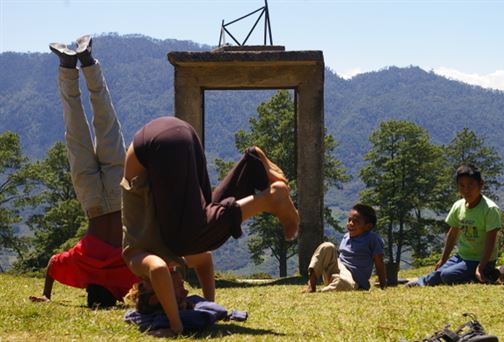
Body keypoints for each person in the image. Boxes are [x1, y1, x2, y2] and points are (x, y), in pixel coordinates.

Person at [121, 115, 300, 337]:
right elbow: (204, 258)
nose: (186, 290)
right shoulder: (172, 253)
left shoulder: (134, 257)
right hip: (181, 134)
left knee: (187, 239)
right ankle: (251, 166)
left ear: (156, 295)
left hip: (156, 148)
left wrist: (176, 326)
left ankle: (269, 199)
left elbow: (157, 270)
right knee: (204, 220)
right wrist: (210, 305)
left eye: (179, 297)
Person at [29, 35, 139, 307]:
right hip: (91, 201)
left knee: (106, 122)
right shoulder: (82, 263)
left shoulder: (126, 272)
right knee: (74, 126)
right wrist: (47, 294)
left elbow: (154, 269)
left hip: (117, 195)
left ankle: (88, 62)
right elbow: (54, 264)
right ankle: (68, 67)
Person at [407, 164, 501, 287]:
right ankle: (421, 282)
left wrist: (481, 267)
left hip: (482, 260)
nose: (466, 190)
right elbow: (452, 235)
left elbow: (490, 242)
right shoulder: (458, 206)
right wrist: (443, 259)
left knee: (447, 275)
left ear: (481, 184)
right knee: (439, 273)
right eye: (462, 185)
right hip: (462, 257)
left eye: (470, 185)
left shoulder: (490, 209)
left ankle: (487, 273)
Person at [303, 203, 386, 292]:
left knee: (343, 283)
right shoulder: (346, 236)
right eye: (349, 220)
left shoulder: (372, 239)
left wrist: (383, 284)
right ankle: (311, 284)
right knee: (327, 246)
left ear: (368, 226)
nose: (350, 224)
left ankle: (326, 290)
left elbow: (379, 262)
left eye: (356, 221)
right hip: (337, 270)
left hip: (353, 279)